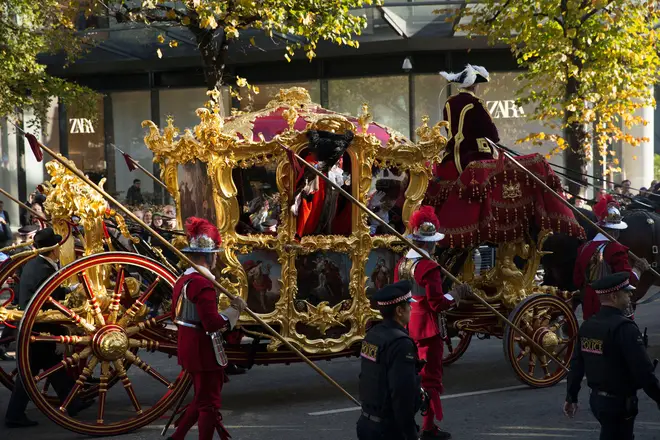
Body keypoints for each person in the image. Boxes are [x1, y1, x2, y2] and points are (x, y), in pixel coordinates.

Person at [394, 206, 472, 440]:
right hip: (428, 328)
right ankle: (428, 428)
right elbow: (438, 303)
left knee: (412, 377)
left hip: (408, 325)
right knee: (431, 380)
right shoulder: (429, 267)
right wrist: (456, 294)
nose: (436, 245)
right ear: (428, 243)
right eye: (434, 242)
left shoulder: (402, 264)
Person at [167, 217, 247, 440]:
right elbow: (212, 323)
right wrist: (234, 310)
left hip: (189, 345)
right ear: (209, 255)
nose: (216, 259)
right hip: (203, 349)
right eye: (215, 254)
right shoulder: (203, 284)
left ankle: (177, 437)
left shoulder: (183, 279)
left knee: (202, 399)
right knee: (209, 404)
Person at [4, 228, 90, 428]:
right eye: (58, 246)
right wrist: (71, 294)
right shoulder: (44, 269)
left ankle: (73, 402)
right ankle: (14, 415)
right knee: (30, 372)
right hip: (39, 326)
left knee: (52, 366)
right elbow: (52, 298)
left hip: (33, 324)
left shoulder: (34, 264)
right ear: (53, 250)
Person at [564, 272, 660, 440]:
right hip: (619, 403)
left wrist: (571, 396)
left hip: (597, 401)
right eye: (626, 292)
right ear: (615, 297)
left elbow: (577, 364)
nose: (630, 295)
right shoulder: (625, 328)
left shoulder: (588, 325)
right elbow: (643, 371)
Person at [357, 280, 424, 440]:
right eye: (409, 305)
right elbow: (402, 396)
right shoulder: (401, 343)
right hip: (388, 430)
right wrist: (410, 434)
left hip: (367, 423)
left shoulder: (373, 334)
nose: (411, 308)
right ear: (400, 310)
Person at [574, 195, 650, 321]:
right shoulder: (616, 249)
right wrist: (638, 269)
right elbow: (627, 279)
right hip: (613, 302)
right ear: (614, 231)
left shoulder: (584, 248)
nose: (618, 234)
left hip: (589, 302)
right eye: (617, 230)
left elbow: (577, 280)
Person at [435, 64, 500, 181]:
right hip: (475, 155)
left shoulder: (449, 103)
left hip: (451, 156)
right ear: (474, 85)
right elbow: (492, 133)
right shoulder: (477, 103)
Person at [291, 129, 354, 237]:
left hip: (332, 195)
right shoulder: (311, 161)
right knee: (316, 216)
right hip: (316, 196)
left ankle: (326, 233)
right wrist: (314, 170)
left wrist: (347, 179)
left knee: (330, 215)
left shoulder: (335, 165)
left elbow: (343, 180)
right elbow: (304, 178)